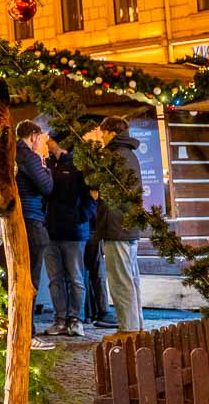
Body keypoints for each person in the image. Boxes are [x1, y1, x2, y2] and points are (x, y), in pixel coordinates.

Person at [89, 116, 145, 333]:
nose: (101, 137)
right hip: (128, 226)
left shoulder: (113, 156)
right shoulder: (129, 154)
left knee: (120, 281)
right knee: (131, 279)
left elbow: (96, 185)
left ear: (111, 132)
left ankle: (128, 330)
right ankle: (136, 326)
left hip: (116, 226)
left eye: (103, 132)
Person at [44, 148, 96, 337]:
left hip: (75, 232)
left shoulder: (80, 166)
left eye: (51, 139)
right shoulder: (47, 164)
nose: (47, 142)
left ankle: (75, 319)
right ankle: (60, 319)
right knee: (55, 279)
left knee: (75, 278)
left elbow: (92, 198)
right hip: (51, 231)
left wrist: (79, 217)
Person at [14, 120, 55, 343]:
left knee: (23, 275)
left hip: (22, 219)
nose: (42, 144)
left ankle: (23, 328)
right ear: (33, 136)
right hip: (31, 219)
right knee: (31, 279)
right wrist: (45, 167)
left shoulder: (13, 154)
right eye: (41, 140)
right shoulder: (28, 157)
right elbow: (47, 187)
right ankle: (27, 331)